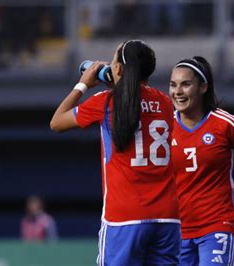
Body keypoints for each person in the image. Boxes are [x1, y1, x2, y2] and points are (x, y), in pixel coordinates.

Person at [50, 40, 181, 265]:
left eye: (112, 61)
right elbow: (138, 100)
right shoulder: (165, 103)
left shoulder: (105, 101)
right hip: (167, 216)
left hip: (124, 216)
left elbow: (56, 122)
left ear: (118, 69)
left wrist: (82, 84)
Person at [169, 56, 234, 265]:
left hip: (218, 224)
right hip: (178, 229)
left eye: (186, 84)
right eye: (173, 85)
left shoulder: (226, 124)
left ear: (203, 87)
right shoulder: (164, 127)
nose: (177, 91)